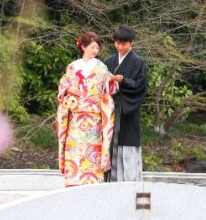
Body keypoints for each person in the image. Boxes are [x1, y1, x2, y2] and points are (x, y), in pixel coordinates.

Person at [56, 31, 115, 187]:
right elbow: (63, 85)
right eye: (93, 47)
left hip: (93, 115)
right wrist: (68, 90)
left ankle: (92, 180)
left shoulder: (101, 67)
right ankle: (73, 179)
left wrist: (113, 80)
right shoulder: (73, 66)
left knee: (92, 147)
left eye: (97, 48)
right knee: (75, 146)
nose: (96, 51)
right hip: (76, 114)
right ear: (83, 47)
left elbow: (108, 86)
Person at [104, 25, 147, 182]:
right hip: (110, 109)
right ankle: (111, 181)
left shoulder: (138, 62)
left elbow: (141, 86)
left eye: (124, 43)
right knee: (110, 144)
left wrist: (124, 81)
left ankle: (130, 182)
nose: (120, 46)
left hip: (129, 108)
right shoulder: (108, 61)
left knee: (127, 144)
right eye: (117, 43)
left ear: (132, 43)